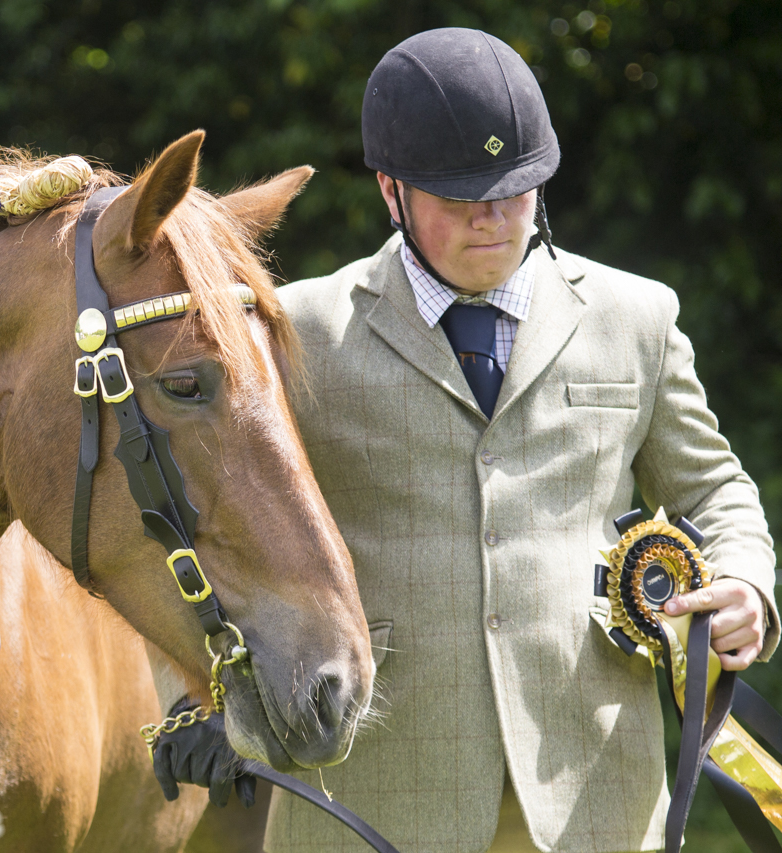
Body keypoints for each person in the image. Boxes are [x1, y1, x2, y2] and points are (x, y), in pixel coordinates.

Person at [255, 26, 778, 853]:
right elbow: (231, 514)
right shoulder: (296, 330)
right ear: (390, 190)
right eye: (461, 196)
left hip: (596, 781)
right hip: (375, 781)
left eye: (518, 188)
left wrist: (747, 580)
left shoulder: (638, 317)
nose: (494, 217)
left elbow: (715, 488)